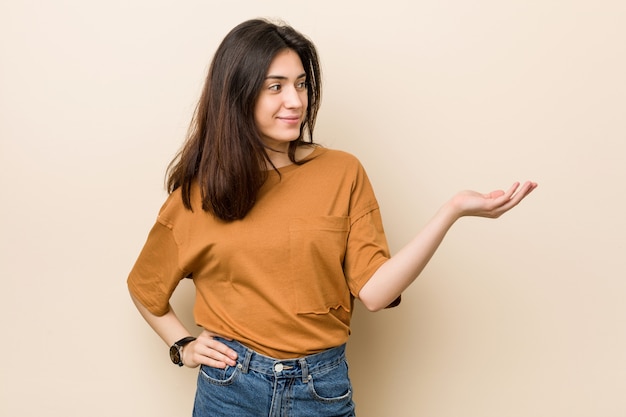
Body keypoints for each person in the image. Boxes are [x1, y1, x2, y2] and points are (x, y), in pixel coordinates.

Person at [127, 18, 537, 417]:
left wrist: (452, 212)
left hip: (319, 389)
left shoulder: (342, 172)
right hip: (230, 390)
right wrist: (182, 345)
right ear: (238, 95)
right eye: (276, 87)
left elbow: (375, 293)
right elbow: (145, 288)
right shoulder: (200, 193)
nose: (296, 100)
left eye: (301, 84)